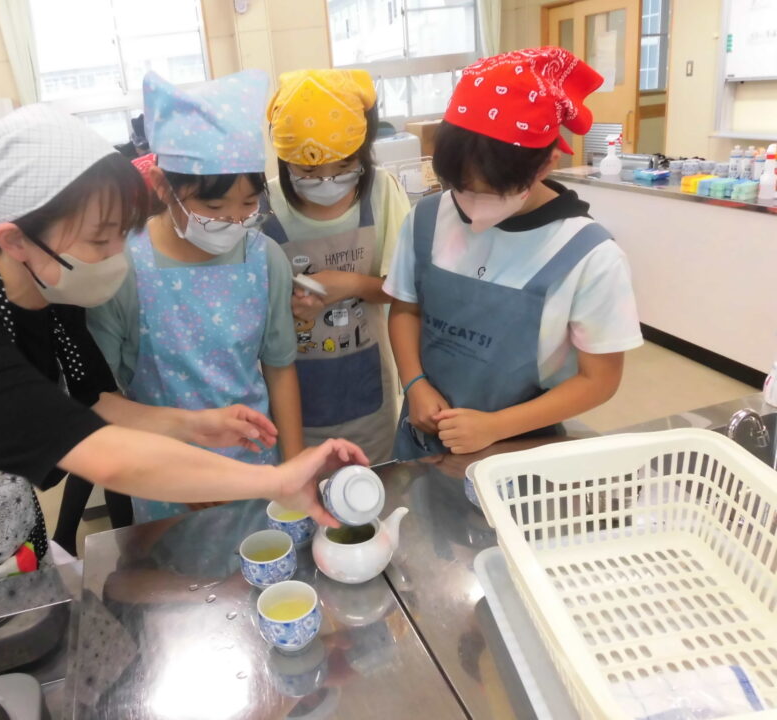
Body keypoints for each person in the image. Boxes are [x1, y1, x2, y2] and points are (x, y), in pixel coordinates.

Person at [0, 105, 363, 611]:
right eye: (99, 240)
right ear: (14, 240)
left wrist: (195, 424)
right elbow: (105, 456)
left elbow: (94, 401)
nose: (116, 256)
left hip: (1, 533)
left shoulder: (49, 295)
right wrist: (275, 482)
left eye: (122, 235)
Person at [384, 47, 643, 460]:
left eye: (490, 192)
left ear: (546, 164)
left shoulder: (590, 257)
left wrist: (496, 427)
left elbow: (600, 379)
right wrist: (414, 383)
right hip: (422, 435)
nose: (469, 205)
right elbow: (405, 309)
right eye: (459, 187)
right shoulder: (427, 218)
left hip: (521, 449)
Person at [88, 70, 303, 524]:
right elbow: (100, 398)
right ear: (162, 186)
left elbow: (279, 369)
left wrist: (294, 469)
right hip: (163, 478)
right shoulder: (123, 269)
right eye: (213, 208)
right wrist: (168, 471)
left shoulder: (265, 259)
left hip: (255, 471)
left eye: (248, 205)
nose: (234, 221)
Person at [262, 70, 411, 463]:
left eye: (344, 167)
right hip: (293, 396)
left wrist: (350, 285)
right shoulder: (264, 207)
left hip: (368, 390)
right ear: (285, 161)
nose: (327, 182)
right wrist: (287, 305)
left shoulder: (382, 192)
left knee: (372, 480)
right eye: (309, 172)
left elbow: (407, 288)